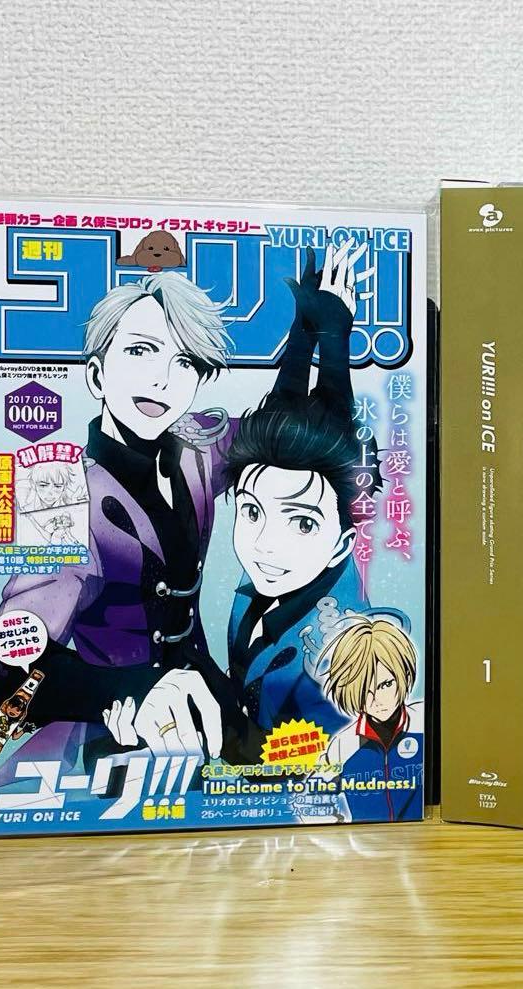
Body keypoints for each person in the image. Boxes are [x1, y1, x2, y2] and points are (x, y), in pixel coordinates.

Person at [0, 244, 360, 777]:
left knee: (315, 769)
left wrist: (316, 332)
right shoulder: (58, 493)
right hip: (113, 728)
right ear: (97, 376)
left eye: (183, 361)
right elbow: (10, 666)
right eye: (140, 351)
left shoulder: (197, 445)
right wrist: (136, 692)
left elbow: (296, 443)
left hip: (215, 707)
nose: (162, 378)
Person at [223, 240, 379, 759]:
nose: (266, 543)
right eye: (251, 512)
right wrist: (310, 329)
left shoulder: (340, 646)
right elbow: (306, 423)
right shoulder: (267, 579)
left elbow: (311, 759)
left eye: (303, 524)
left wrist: (332, 337)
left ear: (342, 545)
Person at [315, 614, 423, 823]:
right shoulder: (343, 745)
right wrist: (337, 829)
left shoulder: (424, 723)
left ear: (405, 675)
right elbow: (313, 794)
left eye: (385, 685)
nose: (377, 700)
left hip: (422, 833)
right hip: (366, 838)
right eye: (365, 691)